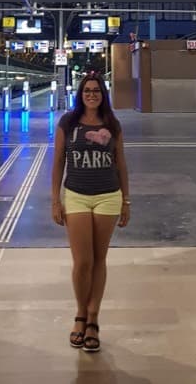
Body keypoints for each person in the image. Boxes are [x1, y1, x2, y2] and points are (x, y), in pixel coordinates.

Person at [51, 71, 130, 353]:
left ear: (103, 94)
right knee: (82, 261)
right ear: (80, 94)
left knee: (99, 259)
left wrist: (126, 201)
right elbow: (58, 160)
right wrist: (55, 200)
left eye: (96, 91)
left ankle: (93, 319)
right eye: (87, 91)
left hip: (108, 196)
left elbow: (120, 163)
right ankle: (80, 314)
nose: (92, 94)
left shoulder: (112, 124)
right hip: (76, 196)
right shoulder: (68, 122)